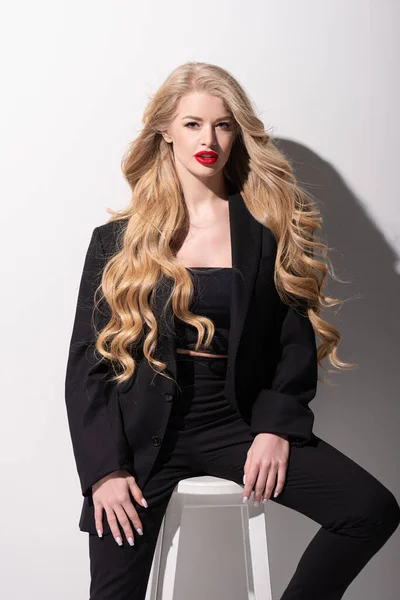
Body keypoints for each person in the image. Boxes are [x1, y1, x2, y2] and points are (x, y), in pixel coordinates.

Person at [65, 61, 400, 600]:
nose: (210, 139)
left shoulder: (268, 229)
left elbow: (293, 343)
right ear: (164, 132)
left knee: (369, 510)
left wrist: (275, 428)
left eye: (223, 125)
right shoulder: (117, 241)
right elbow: (88, 365)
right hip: (144, 436)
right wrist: (105, 472)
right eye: (193, 124)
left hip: (237, 423)